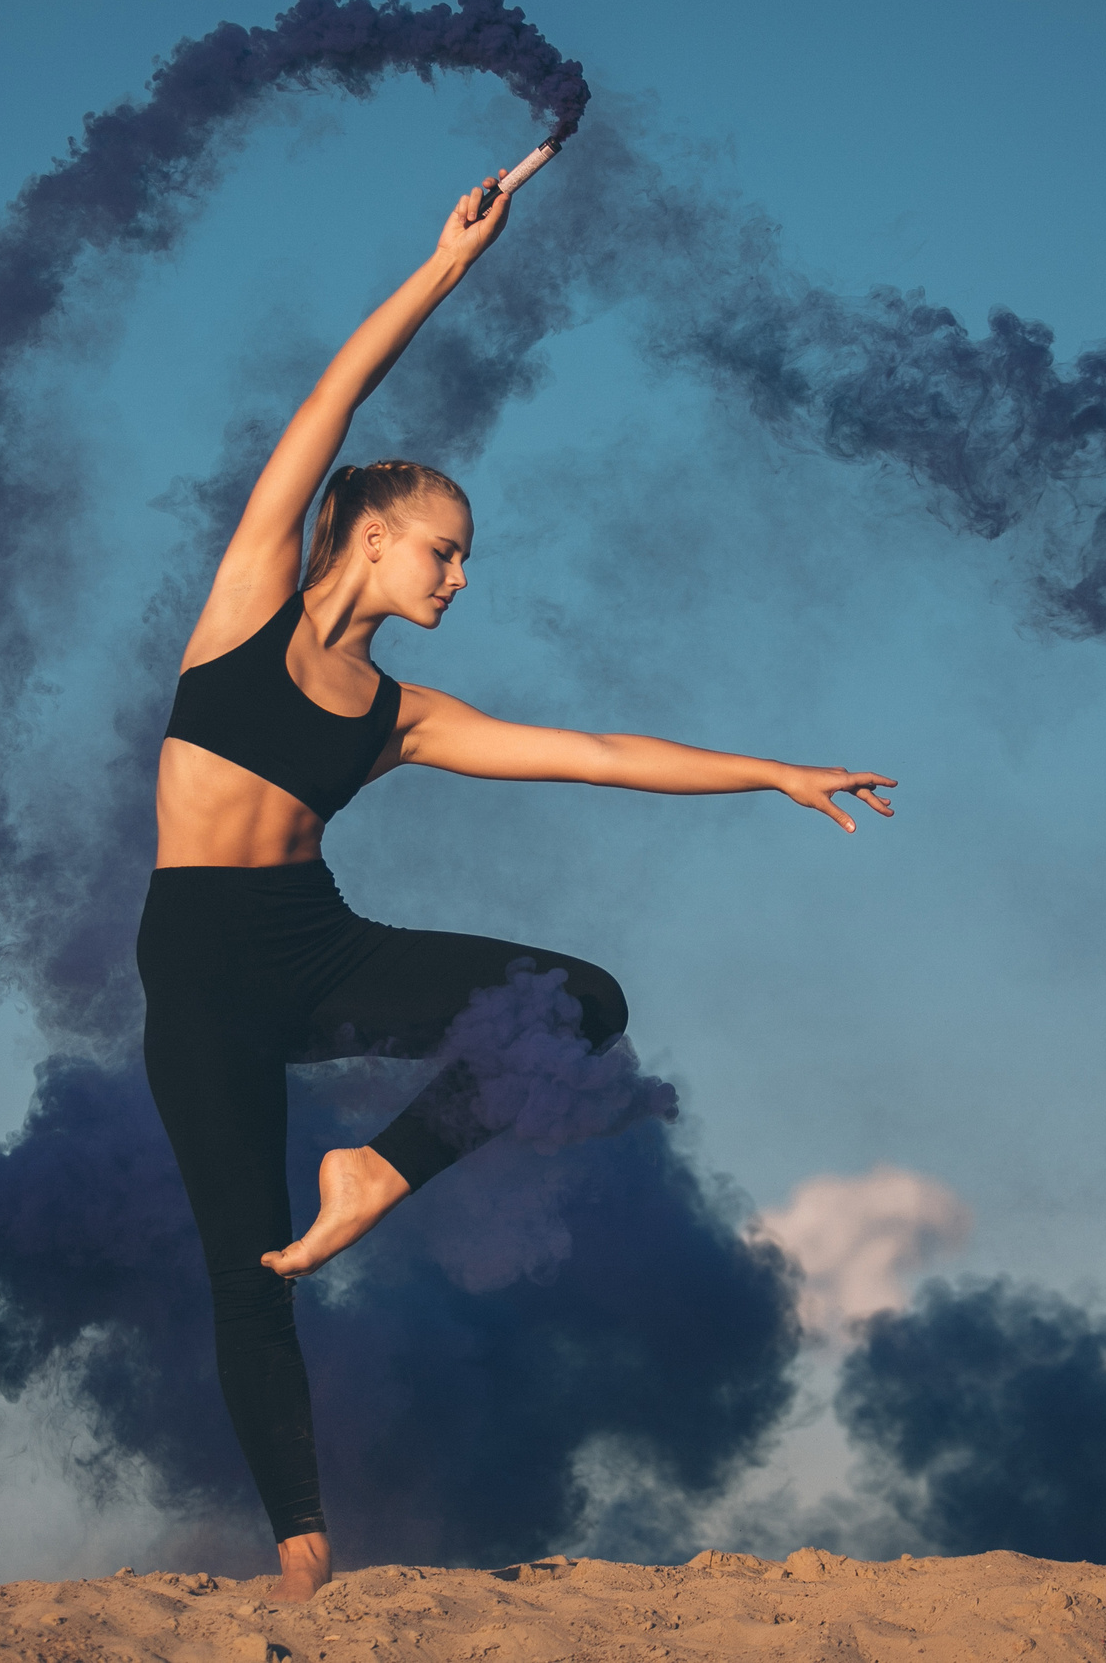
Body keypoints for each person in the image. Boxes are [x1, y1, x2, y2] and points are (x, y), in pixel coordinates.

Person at [137, 171, 896, 1601]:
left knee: (579, 1002)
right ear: (373, 534)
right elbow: (337, 393)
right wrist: (445, 266)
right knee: (250, 1267)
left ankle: (381, 1170)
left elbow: (597, 752)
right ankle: (302, 1550)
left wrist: (773, 772)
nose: (460, 580)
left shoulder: (398, 715)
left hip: (315, 948)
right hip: (196, 975)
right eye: (446, 551)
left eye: (465, 563)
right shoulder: (246, 600)